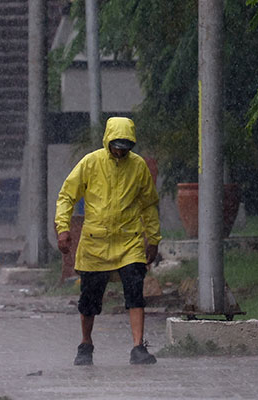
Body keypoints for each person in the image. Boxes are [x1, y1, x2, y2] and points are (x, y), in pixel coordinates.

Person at [55, 117, 161, 366]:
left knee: (135, 290)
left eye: (126, 147)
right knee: (89, 298)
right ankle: (86, 344)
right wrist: (63, 229)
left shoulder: (138, 167)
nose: (121, 151)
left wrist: (153, 239)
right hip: (95, 243)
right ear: (108, 142)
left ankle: (138, 347)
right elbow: (66, 196)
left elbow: (148, 205)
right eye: (117, 146)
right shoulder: (91, 163)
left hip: (129, 241)